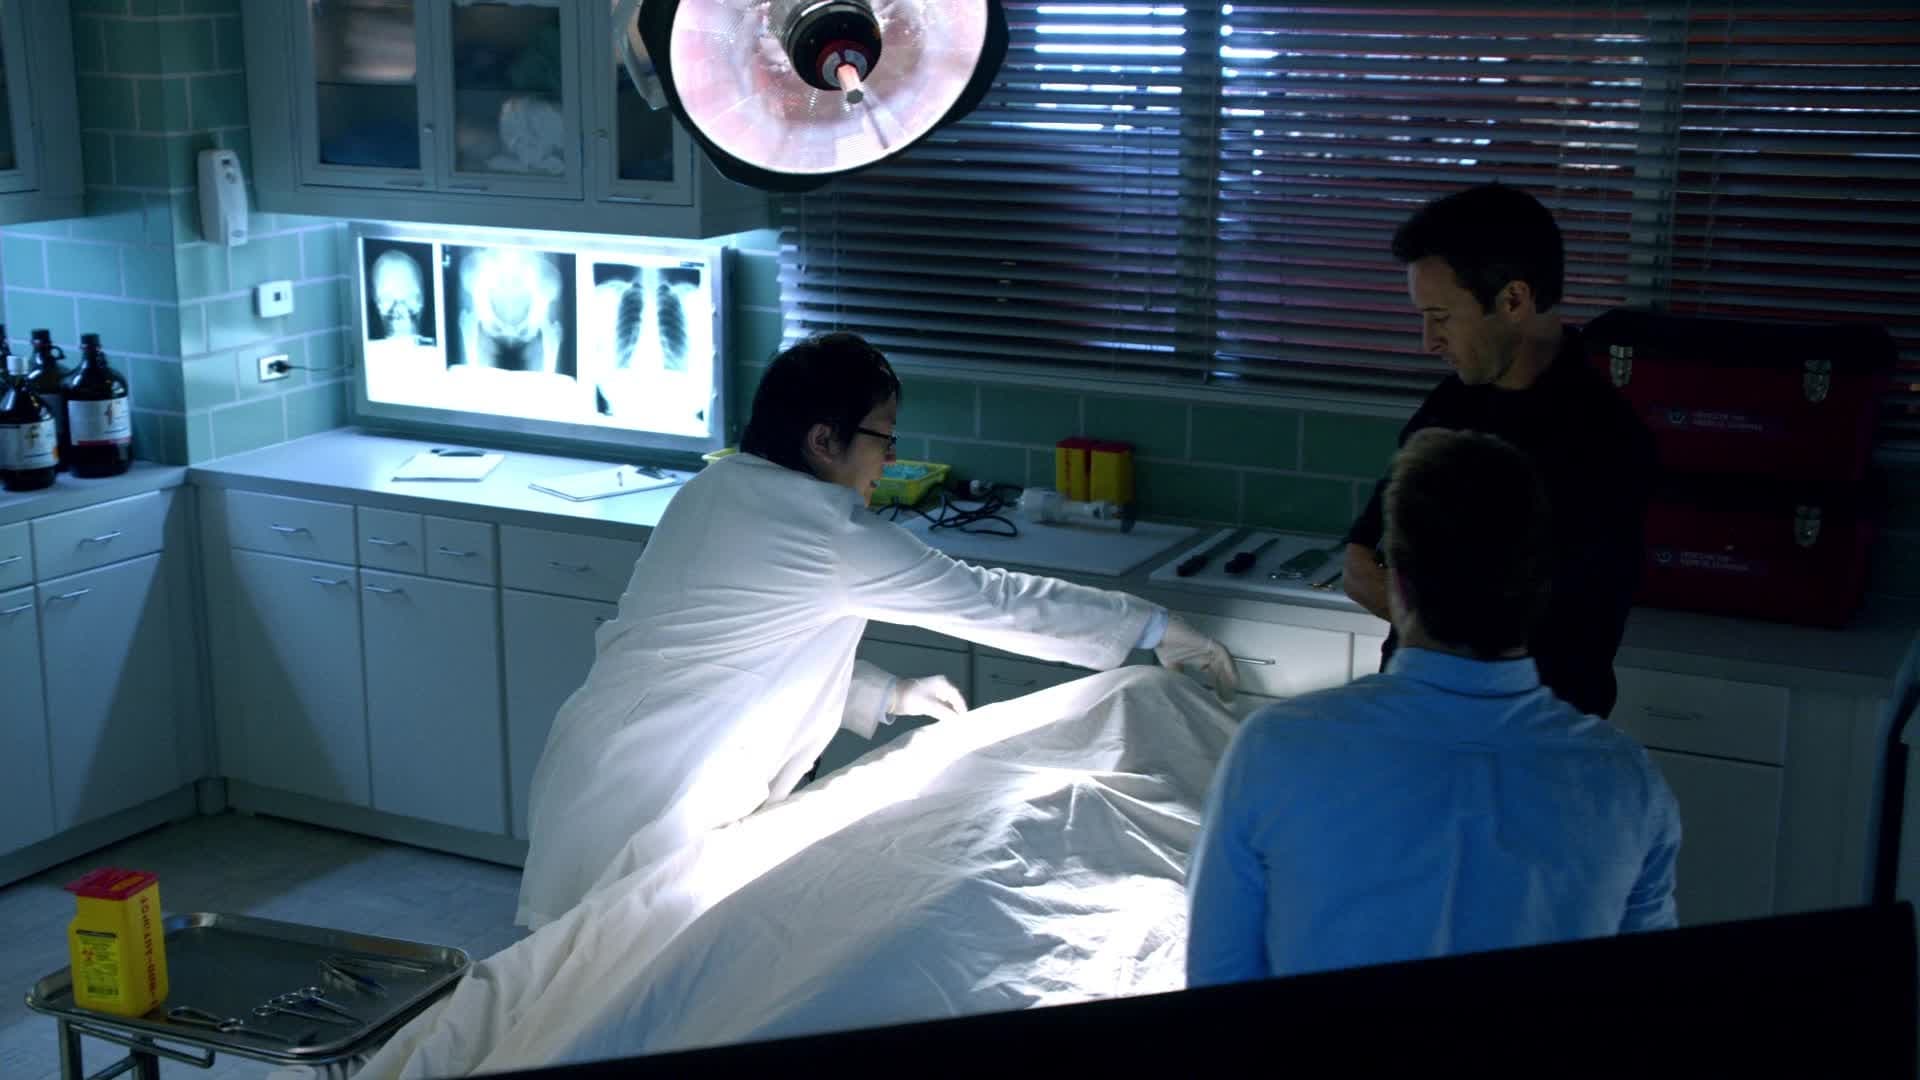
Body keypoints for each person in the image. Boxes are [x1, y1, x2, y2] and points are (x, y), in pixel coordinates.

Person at [517, 332, 1239, 929]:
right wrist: (1149, 623)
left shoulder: (718, 488)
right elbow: (991, 601)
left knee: (576, 980)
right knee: (596, 990)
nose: (890, 459)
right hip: (653, 796)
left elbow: (742, 646)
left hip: (603, 764)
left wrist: (887, 694)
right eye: (883, 438)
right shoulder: (824, 530)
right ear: (824, 439)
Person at [1185, 427, 1681, 987]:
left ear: (1397, 583)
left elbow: (1215, 981)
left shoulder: (1274, 751)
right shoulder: (1625, 782)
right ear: (1541, 583)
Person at [1343, 181, 1656, 719]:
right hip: (1412, 720)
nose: (1428, 341)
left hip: (1537, 739)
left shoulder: (1606, 441)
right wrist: (1459, 625)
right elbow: (1358, 563)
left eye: (1441, 317)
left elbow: (1561, 632)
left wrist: (1423, 616)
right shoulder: (1448, 407)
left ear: (1513, 300)